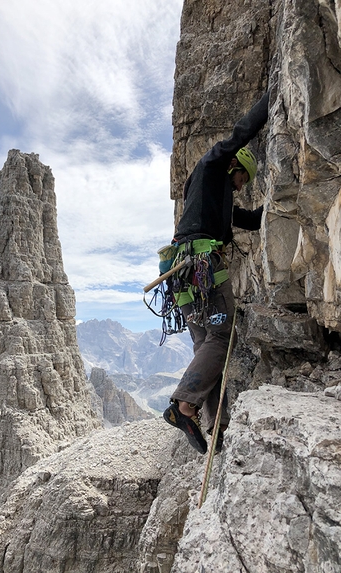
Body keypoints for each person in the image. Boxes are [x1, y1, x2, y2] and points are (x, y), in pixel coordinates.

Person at [163, 92, 269, 454]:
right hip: (203, 266)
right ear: (234, 166)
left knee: (204, 343)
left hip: (180, 274)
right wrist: (270, 99)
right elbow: (239, 134)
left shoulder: (211, 195)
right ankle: (184, 404)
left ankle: (215, 426)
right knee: (222, 336)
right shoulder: (212, 167)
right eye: (243, 178)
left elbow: (252, 221)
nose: (242, 186)